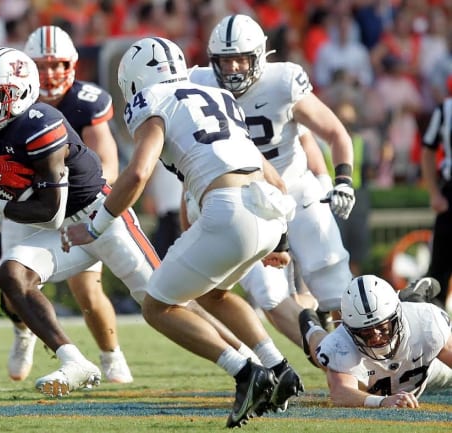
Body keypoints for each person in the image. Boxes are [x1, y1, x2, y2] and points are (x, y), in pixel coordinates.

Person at [62, 37, 301, 428]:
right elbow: (274, 176)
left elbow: (138, 172)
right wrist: (283, 239)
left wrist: (97, 225)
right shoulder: (217, 95)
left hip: (229, 209)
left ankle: (246, 372)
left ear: (135, 79)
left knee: (156, 307)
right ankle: (279, 368)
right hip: (268, 209)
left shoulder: (150, 100)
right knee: (212, 293)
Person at [0, 47, 159, 398]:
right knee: (11, 276)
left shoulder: (41, 123)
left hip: (99, 216)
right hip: (60, 231)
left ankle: (250, 359)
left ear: (20, 93)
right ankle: (73, 360)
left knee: (164, 301)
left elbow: (50, 213)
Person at [189, 14, 355, 358]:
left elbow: (335, 132)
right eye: (225, 60)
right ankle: (334, 362)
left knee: (331, 273)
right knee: (269, 295)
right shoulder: (199, 83)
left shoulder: (283, 81)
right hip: (241, 200)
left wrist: (341, 181)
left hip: (293, 188)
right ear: (212, 60)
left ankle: (366, 356)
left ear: (260, 55)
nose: (233, 68)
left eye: (241, 58)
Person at [0, 25, 133, 384]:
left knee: (87, 290)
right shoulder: (11, 101)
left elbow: (107, 164)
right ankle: (24, 333)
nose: (51, 73)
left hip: (74, 203)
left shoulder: (86, 101)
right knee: (13, 286)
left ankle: (110, 354)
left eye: (58, 64)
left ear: (72, 65)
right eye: (42, 66)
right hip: (27, 203)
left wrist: (75, 201)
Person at [312, 275, 452, 408]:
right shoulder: (341, 342)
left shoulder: (427, 322)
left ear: (397, 316)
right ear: (350, 329)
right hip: (375, 379)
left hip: (426, 370)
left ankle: (413, 298)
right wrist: (382, 401)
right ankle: (310, 327)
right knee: (318, 350)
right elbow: (340, 393)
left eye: (383, 328)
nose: (376, 338)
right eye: (366, 332)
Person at [421, 95, 452, 311]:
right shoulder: (446, 110)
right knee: (440, 268)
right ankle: (437, 329)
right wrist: (434, 192)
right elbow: (427, 151)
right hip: (451, 194)